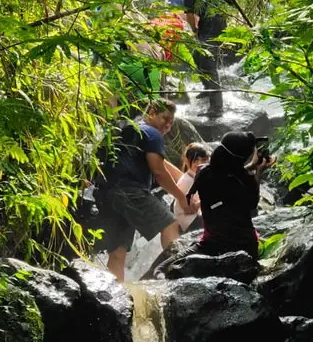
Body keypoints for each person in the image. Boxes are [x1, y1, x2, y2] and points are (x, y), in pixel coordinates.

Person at [93, 98, 198, 281]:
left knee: (118, 252)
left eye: (171, 122)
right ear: (150, 114)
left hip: (106, 194)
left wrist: (190, 181)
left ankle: (115, 296)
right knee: (170, 225)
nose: (167, 125)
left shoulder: (125, 129)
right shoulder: (152, 133)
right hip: (130, 191)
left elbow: (162, 165)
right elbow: (159, 172)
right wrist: (182, 198)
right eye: (164, 118)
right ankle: (177, 277)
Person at [153, 131, 275, 277]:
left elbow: (225, 175)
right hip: (243, 249)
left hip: (209, 244)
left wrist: (251, 166)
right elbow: (252, 202)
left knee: (160, 269)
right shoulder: (243, 181)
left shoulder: (203, 173)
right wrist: (259, 171)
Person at [172, 142, 210, 233]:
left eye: (203, 160)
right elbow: (189, 206)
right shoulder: (187, 180)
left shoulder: (194, 176)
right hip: (188, 221)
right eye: (196, 160)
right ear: (186, 160)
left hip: (192, 218)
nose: (199, 163)